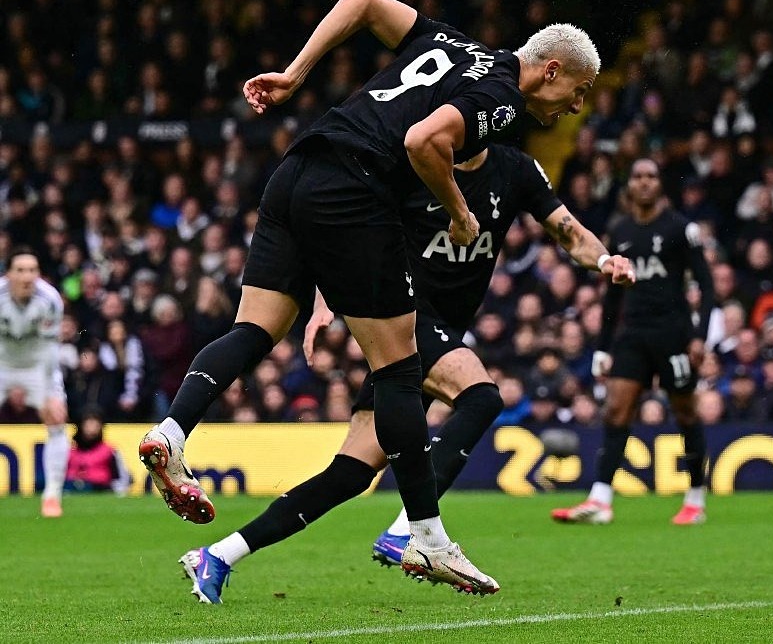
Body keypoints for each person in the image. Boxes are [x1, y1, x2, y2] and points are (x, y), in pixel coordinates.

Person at [136, 0, 600, 593]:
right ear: (553, 69)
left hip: (298, 170)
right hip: (354, 190)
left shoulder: (451, 41)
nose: (575, 107)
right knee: (400, 372)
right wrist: (458, 211)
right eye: (579, 93)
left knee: (253, 331)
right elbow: (421, 141)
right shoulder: (501, 96)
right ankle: (425, 535)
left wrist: (296, 75)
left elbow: (361, 0)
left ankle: (172, 435)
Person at [175, 142, 634, 604]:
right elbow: (348, 237)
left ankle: (218, 555)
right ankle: (409, 532)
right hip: (404, 316)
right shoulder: (415, 165)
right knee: (482, 397)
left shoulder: (516, 169)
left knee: (349, 475)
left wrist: (603, 260)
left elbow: (569, 230)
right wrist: (322, 303)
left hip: (425, 339)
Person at [552, 157, 717, 525]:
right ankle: (600, 500)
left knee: (686, 412)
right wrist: (602, 347)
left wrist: (699, 337)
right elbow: (612, 296)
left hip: (673, 334)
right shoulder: (620, 230)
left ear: (660, 184)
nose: (644, 183)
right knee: (615, 411)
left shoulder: (680, 229)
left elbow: (706, 286)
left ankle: (695, 498)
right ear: (629, 185)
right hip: (633, 334)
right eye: (638, 177)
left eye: (651, 177)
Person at [0, 250, 69, 517]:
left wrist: (46, 391)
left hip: (37, 366)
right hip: (2, 363)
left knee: (56, 418)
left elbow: (49, 348)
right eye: (21, 270)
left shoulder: (50, 300)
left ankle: (52, 495)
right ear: (9, 274)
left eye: (32, 270)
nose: (27, 276)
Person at [64, 409, 132, 495]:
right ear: (80, 426)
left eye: (95, 425)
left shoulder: (109, 451)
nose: (92, 429)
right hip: (71, 490)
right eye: (88, 424)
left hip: (101, 490)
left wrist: (113, 491)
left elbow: (122, 479)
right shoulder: (69, 451)